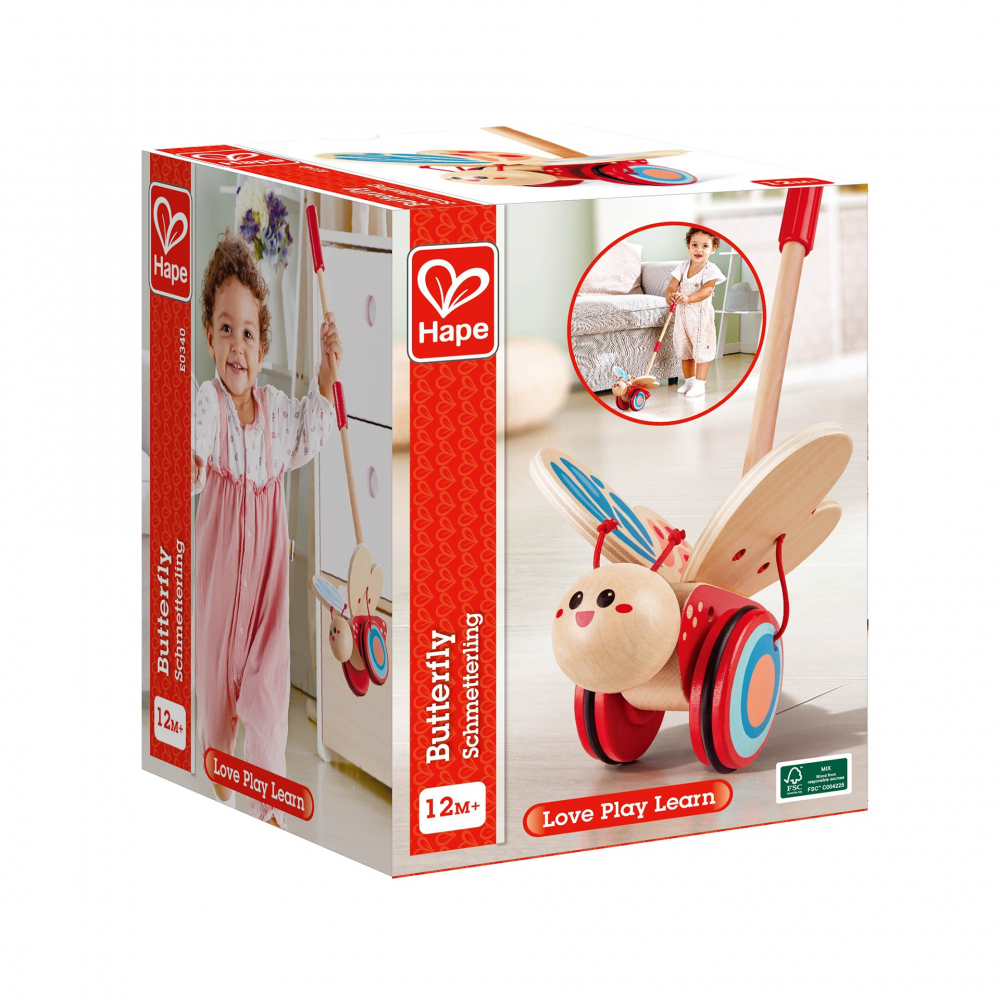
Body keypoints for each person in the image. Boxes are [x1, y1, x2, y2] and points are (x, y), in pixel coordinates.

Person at [191, 232, 342, 825]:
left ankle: (266, 809)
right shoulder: (209, 405)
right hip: (220, 588)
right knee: (217, 720)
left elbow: (312, 431)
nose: (237, 344)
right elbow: (196, 448)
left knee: (269, 700)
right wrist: (189, 462)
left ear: (263, 345)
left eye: (248, 333)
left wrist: (326, 372)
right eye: (225, 328)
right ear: (209, 337)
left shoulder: (278, 413)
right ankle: (227, 785)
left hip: (267, 598)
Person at [665, 228, 726, 399]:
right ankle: (689, 381)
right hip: (683, 319)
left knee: (701, 349)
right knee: (684, 348)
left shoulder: (710, 270)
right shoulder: (682, 267)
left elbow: (707, 291)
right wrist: (671, 296)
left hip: (700, 319)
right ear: (688, 247)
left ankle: (700, 384)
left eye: (705, 246)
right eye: (694, 245)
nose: (699, 250)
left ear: (713, 249)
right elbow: (671, 286)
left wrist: (688, 298)